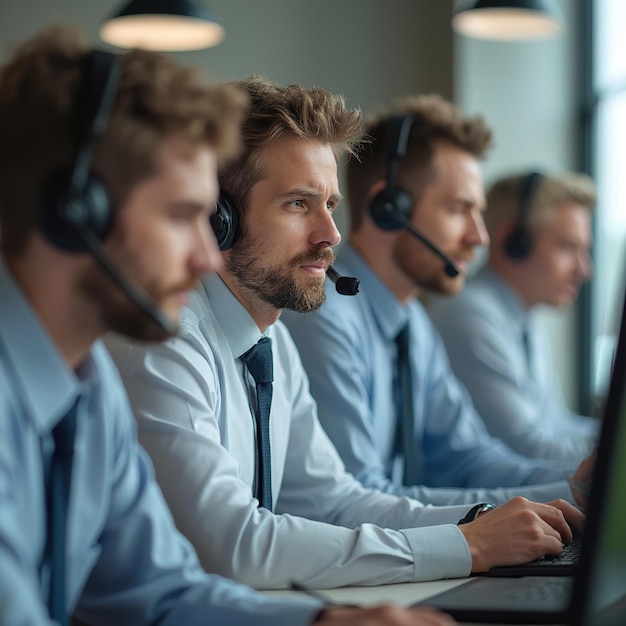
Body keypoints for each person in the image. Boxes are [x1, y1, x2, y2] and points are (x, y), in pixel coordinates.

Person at [0, 28, 454, 626]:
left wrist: (327, 624)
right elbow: (224, 548)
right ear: (74, 211)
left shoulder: (88, 388)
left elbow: (161, 591)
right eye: (181, 215)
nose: (207, 256)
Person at [106, 76, 585, 594]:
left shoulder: (272, 342)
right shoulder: (167, 341)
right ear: (217, 218)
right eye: (297, 204)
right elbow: (231, 543)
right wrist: (467, 545)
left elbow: (337, 501)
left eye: (330, 204)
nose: (330, 234)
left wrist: (482, 521)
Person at [282, 95, 594, 508]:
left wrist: (580, 484)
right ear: (389, 208)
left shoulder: (413, 324)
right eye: (458, 209)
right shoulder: (324, 317)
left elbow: (467, 459)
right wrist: (546, 504)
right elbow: (357, 500)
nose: (479, 237)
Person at [427, 170, 599, 462]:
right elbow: (528, 446)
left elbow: (554, 422)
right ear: (513, 244)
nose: (585, 270)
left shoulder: (523, 318)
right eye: (569, 247)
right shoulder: (470, 315)